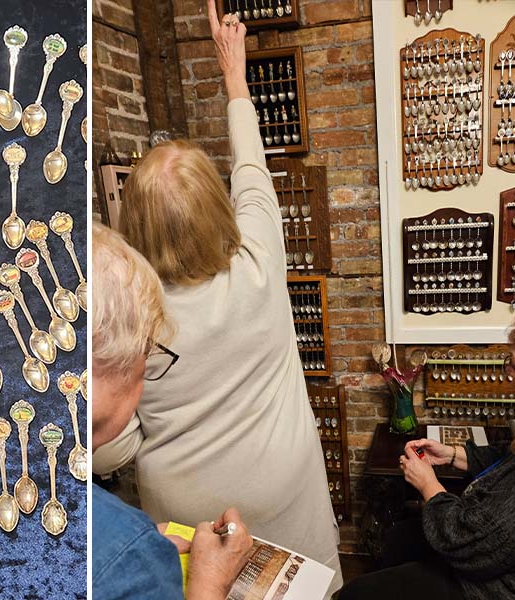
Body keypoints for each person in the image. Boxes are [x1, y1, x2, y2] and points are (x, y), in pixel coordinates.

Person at [93, 1, 343, 594]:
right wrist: (234, 72)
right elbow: (252, 166)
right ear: (218, 207)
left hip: (190, 512)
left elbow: (109, 449)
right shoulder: (259, 257)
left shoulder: (125, 317)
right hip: (286, 488)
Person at [341, 308, 515, 600]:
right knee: (401, 538)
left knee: (358, 594)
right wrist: (452, 455)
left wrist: (428, 485)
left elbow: (467, 543)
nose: (509, 374)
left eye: (514, 366)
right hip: (512, 559)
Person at [92, 222, 254, 599]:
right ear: (108, 363)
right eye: (146, 354)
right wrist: (211, 580)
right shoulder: (124, 558)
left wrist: (135, 537)